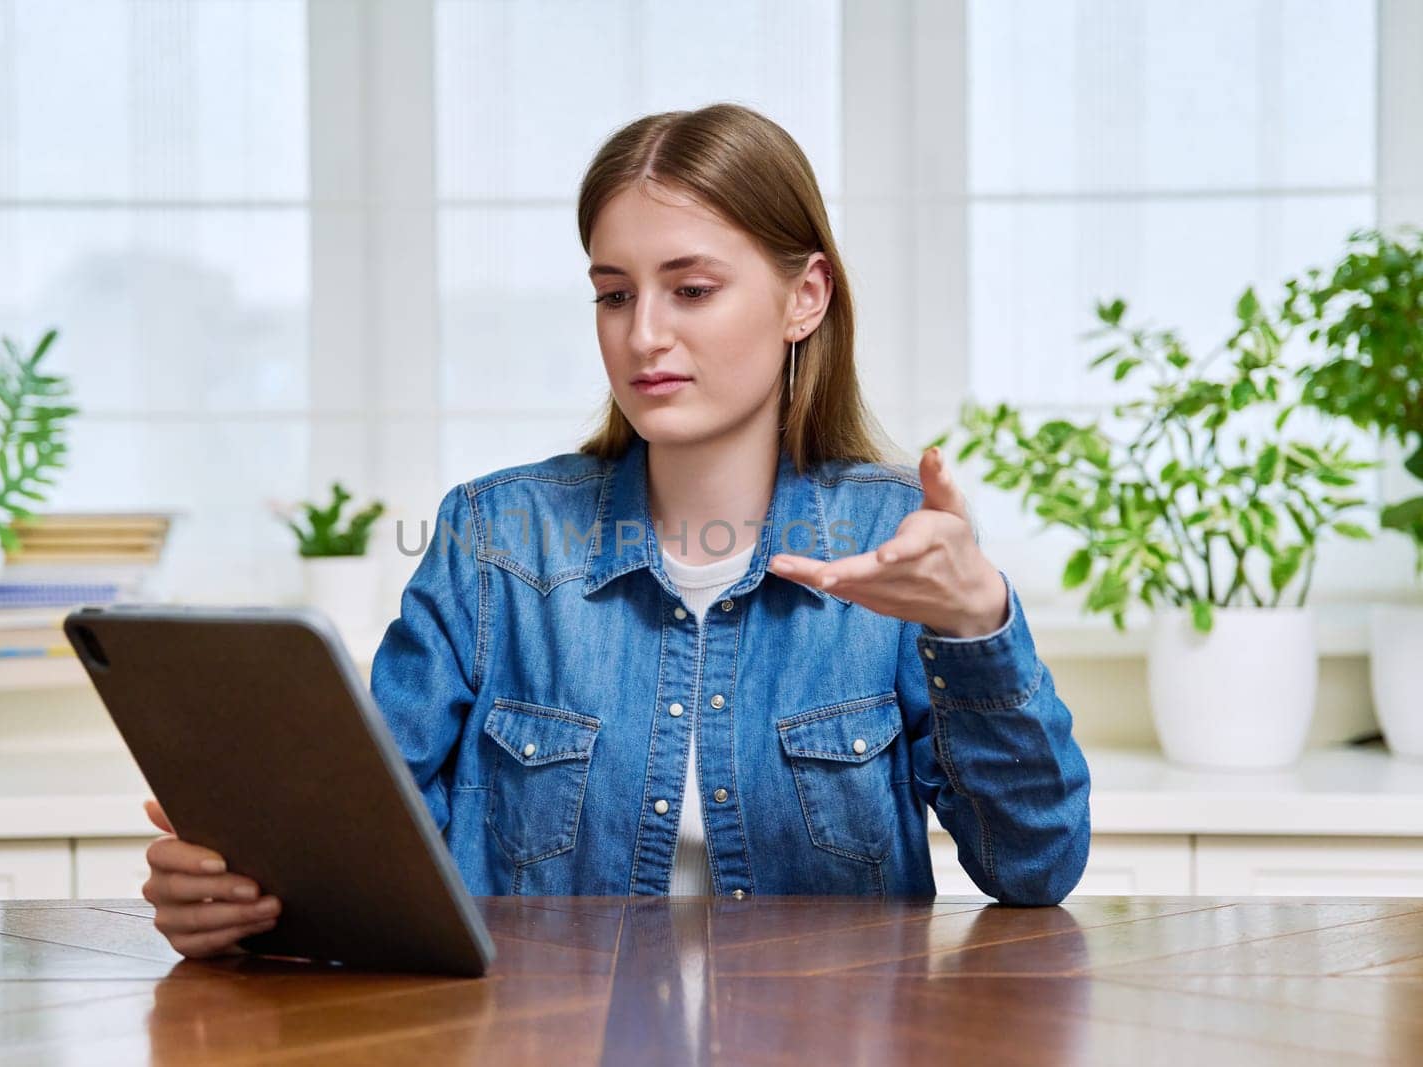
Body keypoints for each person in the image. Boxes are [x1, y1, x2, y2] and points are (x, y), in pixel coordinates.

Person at [141, 103, 1092, 959]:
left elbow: (1033, 866)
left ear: (806, 296)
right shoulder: (496, 541)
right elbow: (369, 861)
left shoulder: (888, 539)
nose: (643, 336)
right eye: (614, 292)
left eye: (691, 289)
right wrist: (237, 909)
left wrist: (978, 626)